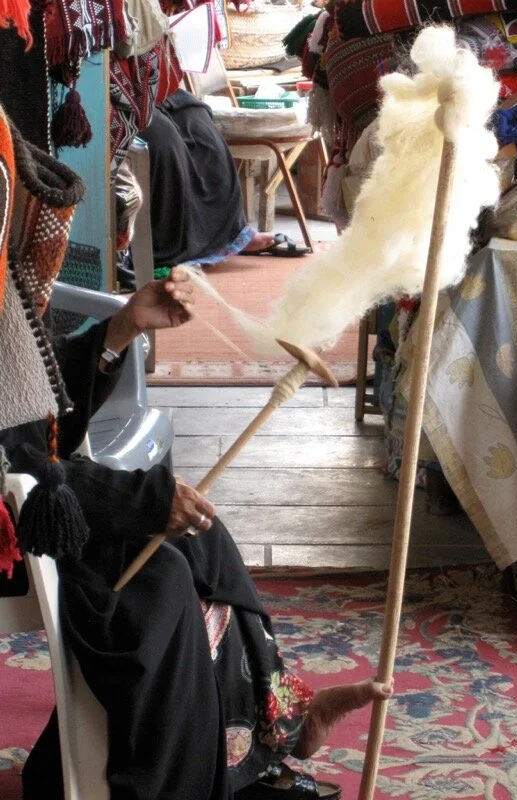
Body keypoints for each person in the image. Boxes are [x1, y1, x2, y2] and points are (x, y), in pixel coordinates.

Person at [1, 268, 391, 799]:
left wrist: (121, 329)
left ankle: (275, 728)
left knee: (200, 538)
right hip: (11, 528)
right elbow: (15, 462)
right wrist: (141, 499)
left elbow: (30, 428)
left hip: (33, 499)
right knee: (156, 584)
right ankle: (195, 781)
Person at [139, 89, 311, 268]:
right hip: (118, 96)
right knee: (165, 140)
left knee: (200, 126)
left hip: (155, 87)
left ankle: (232, 235)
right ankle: (170, 247)